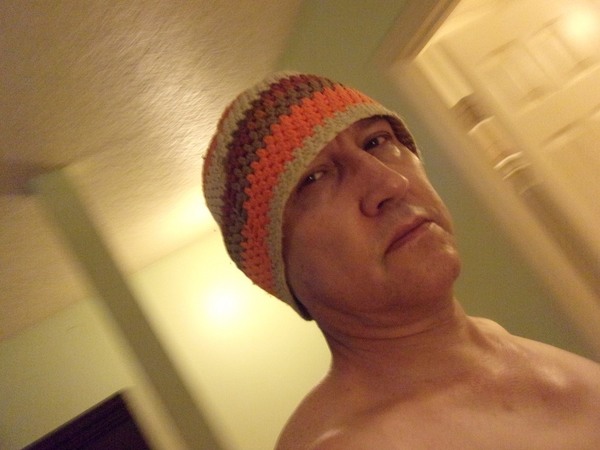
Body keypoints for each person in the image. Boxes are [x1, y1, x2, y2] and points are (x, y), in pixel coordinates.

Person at [203, 72, 600, 449]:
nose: (391, 183)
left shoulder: (500, 344)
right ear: (281, 270)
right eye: (314, 178)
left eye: (377, 141)